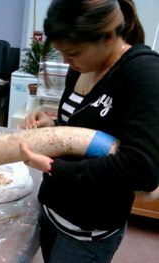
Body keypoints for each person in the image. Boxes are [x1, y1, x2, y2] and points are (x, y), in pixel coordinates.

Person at [20, 0, 159, 262]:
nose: (66, 61)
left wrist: (53, 167)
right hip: (53, 209)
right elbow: (85, 131)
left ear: (107, 37)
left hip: (88, 230)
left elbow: (141, 170)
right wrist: (54, 126)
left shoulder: (143, 73)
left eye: (72, 53)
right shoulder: (81, 67)